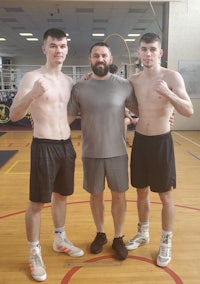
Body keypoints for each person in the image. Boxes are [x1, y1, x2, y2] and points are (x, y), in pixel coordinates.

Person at [9, 28, 84, 282]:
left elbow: (70, 114)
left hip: (66, 146)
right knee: (37, 203)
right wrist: (32, 95)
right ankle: (34, 252)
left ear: (67, 49)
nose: (58, 50)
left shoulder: (69, 82)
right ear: (44, 49)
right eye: (53, 46)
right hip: (44, 145)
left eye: (62, 46)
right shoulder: (32, 77)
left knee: (61, 197)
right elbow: (13, 115)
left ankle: (59, 239)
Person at [125, 33, 193, 267]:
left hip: (162, 142)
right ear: (138, 52)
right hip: (141, 142)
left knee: (165, 196)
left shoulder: (172, 77)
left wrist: (168, 93)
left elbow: (189, 111)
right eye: (144, 49)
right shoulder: (133, 80)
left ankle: (166, 240)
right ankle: (143, 232)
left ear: (160, 53)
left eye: (153, 49)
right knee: (141, 192)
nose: (148, 54)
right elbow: (130, 103)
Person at [68, 42, 137, 260]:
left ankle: (118, 236)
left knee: (119, 195)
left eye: (104, 55)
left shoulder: (124, 85)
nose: (100, 59)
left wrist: (166, 114)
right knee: (95, 195)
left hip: (117, 151)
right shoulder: (79, 87)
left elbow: (140, 110)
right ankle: (101, 233)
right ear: (90, 60)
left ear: (110, 58)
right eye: (96, 55)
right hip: (91, 152)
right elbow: (68, 117)